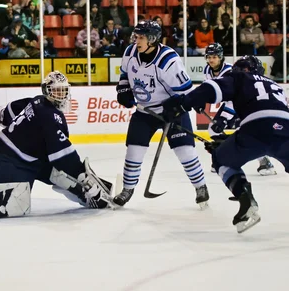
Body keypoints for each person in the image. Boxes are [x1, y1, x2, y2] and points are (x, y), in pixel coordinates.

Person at [161, 55, 289, 233]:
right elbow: (267, 112)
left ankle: (245, 198)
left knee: (221, 160)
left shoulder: (240, 77)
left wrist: (183, 104)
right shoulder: (276, 86)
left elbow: (210, 89)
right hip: (286, 129)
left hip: (256, 130)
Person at [113, 20, 209, 209]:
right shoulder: (130, 52)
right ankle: (127, 189)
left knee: (186, 152)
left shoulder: (169, 61)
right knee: (133, 151)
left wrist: (176, 108)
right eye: (136, 36)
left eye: (141, 37)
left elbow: (188, 93)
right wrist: (123, 89)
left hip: (171, 110)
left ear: (152, 39)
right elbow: (124, 75)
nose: (136, 40)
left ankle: (201, 187)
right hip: (144, 112)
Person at [0, 71, 114, 209]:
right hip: (11, 159)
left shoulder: (38, 100)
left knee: (59, 174)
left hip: (34, 158)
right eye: (55, 90)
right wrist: (81, 175)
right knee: (10, 204)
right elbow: (64, 156)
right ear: (46, 90)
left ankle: (83, 195)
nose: (60, 95)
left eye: (63, 90)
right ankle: (1, 185)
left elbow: (16, 107)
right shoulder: (51, 116)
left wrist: (2, 114)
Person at [204, 43, 276, 176]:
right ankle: (223, 158)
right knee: (213, 129)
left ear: (220, 57)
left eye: (214, 57)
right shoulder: (207, 70)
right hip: (230, 104)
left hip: (240, 104)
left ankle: (264, 161)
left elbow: (235, 96)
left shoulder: (231, 72)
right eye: (208, 57)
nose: (211, 60)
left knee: (245, 133)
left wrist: (224, 118)